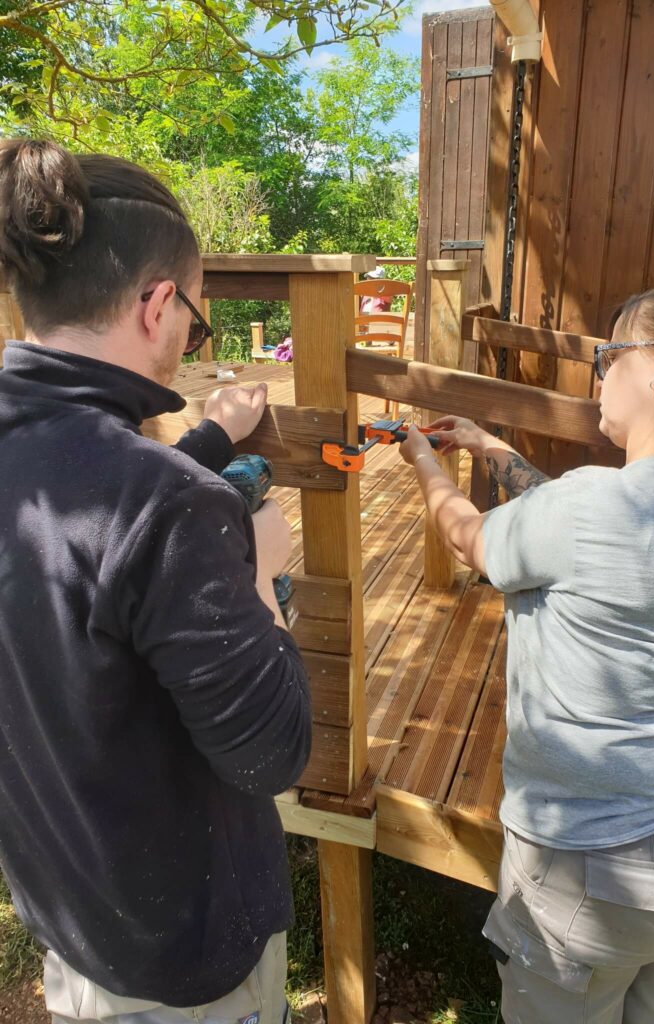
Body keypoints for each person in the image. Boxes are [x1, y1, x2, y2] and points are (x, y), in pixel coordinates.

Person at [0, 138, 312, 1024]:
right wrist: (260, 573)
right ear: (158, 304)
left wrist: (210, 440)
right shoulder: (169, 504)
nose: (189, 338)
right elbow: (271, 751)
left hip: (73, 908)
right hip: (185, 960)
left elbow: (91, 509)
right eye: (196, 321)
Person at [399, 280, 654, 1023]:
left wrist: (427, 465)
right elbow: (574, 532)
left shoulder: (594, 506)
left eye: (610, 354)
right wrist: (489, 444)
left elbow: (473, 538)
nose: (600, 372)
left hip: (608, 866)